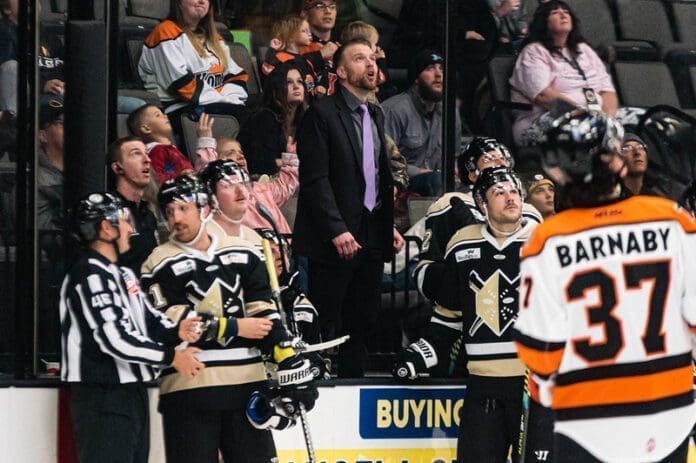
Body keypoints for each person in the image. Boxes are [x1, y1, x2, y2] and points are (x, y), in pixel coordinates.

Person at [513, 111, 696, 462]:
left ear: (557, 172)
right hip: (669, 416)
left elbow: (540, 351)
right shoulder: (671, 219)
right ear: (617, 163)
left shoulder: (548, 239)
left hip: (587, 422)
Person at [140, 174, 317, 463]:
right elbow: (175, 324)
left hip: (247, 388)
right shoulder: (158, 262)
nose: (176, 218)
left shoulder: (244, 251)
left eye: (183, 208)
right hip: (191, 390)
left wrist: (288, 359)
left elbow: (265, 312)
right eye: (169, 211)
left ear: (204, 208)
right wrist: (237, 325)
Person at [394, 167, 536, 463]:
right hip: (482, 386)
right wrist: (421, 353)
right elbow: (451, 314)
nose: (510, 198)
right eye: (499, 192)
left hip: (532, 386)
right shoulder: (463, 244)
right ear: (482, 205)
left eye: (514, 191)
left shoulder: (544, 242)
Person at [60, 191, 204, 463]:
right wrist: (171, 356)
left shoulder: (124, 274)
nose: (130, 229)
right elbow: (115, 339)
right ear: (106, 227)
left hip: (132, 393)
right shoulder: (89, 274)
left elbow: (149, 320)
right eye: (125, 221)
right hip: (102, 397)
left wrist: (178, 332)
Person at [294, 38, 404, 377]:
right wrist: (337, 229)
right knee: (327, 322)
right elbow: (315, 180)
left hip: (371, 234)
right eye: (359, 59)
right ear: (340, 71)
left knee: (364, 320)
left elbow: (375, 176)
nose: (371, 64)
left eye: (373, 58)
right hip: (333, 241)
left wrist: (388, 225)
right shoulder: (322, 113)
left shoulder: (376, 113)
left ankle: (353, 384)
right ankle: (319, 388)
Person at [413, 137, 541, 301]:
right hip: (464, 313)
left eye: (503, 159)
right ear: (472, 174)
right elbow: (426, 276)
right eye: (490, 159)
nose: (500, 164)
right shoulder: (450, 204)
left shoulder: (528, 210)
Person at [509, 0, 620, 146]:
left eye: (566, 12)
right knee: (594, 134)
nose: (563, 15)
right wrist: (587, 117)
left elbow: (607, 91)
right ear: (544, 23)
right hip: (544, 120)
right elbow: (543, 95)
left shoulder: (583, 50)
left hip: (593, 117)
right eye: (555, 13)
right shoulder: (534, 51)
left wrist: (607, 119)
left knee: (649, 120)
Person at [138, 0, 249, 129]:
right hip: (179, 110)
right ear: (179, 3)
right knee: (251, 120)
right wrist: (224, 100)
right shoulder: (165, 32)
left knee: (259, 116)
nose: (202, 1)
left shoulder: (214, 37)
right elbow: (181, 83)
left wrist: (231, 98)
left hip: (219, 104)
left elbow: (236, 75)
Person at [383, 49, 462, 197]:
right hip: (403, 181)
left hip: (437, 178)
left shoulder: (450, 110)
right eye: (430, 69)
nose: (438, 74)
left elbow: (455, 155)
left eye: (442, 69)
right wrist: (418, 171)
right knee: (438, 181)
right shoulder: (395, 110)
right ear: (416, 78)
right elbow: (382, 160)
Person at [212, 139, 299, 235]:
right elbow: (207, 174)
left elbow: (284, 186)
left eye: (241, 153)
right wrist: (206, 141)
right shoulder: (222, 199)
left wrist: (292, 156)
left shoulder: (261, 189)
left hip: (286, 247)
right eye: (230, 153)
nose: (240, 156)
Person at [238, 62, 307, 176]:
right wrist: (293, 161)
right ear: (276, 89)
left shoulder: (305, 119)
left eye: (300, 81)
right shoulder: (264, 118)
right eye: (289, 82)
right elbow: (263, 164)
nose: (296, 86)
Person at [107, 136, 162, 275]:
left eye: (146, 153)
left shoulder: (148, 213)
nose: (147, 159)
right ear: (118, 167)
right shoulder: (109, 211)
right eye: (136, 153)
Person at [126, 104, 218, 183]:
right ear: (146, 129)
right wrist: (179, 177)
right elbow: (154, 180)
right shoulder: (157, 151)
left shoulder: (169, 149)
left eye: (163, 113)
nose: (165, 116)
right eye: (158, 115)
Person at [262, 16, 325, 97]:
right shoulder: (281, 57)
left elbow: (312, 81)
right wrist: (272, 50)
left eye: (309, 30)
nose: (309, 33)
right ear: (290, 36)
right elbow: (267, 70)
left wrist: (317, 87)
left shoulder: (306, 61)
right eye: (304, 31)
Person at [299, 0, 340, 95]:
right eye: (319, 6)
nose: (328, 11)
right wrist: (319, 56)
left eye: (332, 6)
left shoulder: (344, 45)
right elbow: (288, 72)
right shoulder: (295, 46)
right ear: (305, 13)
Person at [37, 96, 65, 231]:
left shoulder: (87, 173)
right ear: (42, 135)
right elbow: (44, 235)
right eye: (62, 122)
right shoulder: (35, 182)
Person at [0, 0, 18, 112]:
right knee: (11, 67)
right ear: (7, 9)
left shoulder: (50, 36)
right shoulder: (3, 32)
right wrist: (42, 84)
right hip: (24, 93)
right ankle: (10, 121)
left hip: (56, 93)